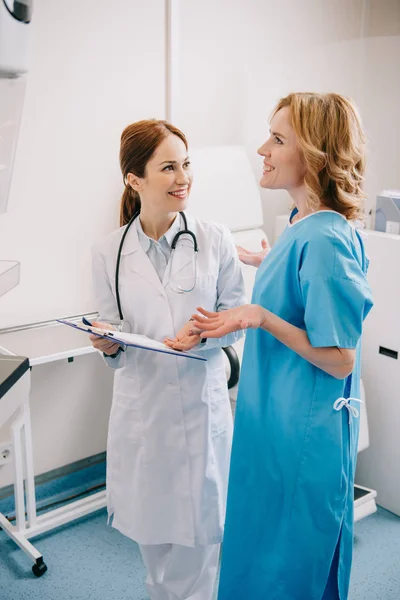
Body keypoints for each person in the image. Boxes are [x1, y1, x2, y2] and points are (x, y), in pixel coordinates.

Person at [191, 93, 374, 600]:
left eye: (276, 139)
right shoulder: (301, 226)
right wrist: (265, 263)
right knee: (260, 544)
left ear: (313, 153)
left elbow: (340, 359)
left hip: (304, 432)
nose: (261, 149)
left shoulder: (325, 241)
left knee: (287, 565)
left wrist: (261, 315)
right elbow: (305, 287)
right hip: (277, 417)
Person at [89, 119, 246, 600]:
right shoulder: (108, 252)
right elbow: (112, 327)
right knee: (153, 541)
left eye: (186, 164)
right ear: (135, 180)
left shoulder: (214, 238)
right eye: (169, 168)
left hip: (201, 407)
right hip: (144, 412)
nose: (184, 178)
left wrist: (203, 335)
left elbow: (238, 316)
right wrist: (109, 344)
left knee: (202, 544)